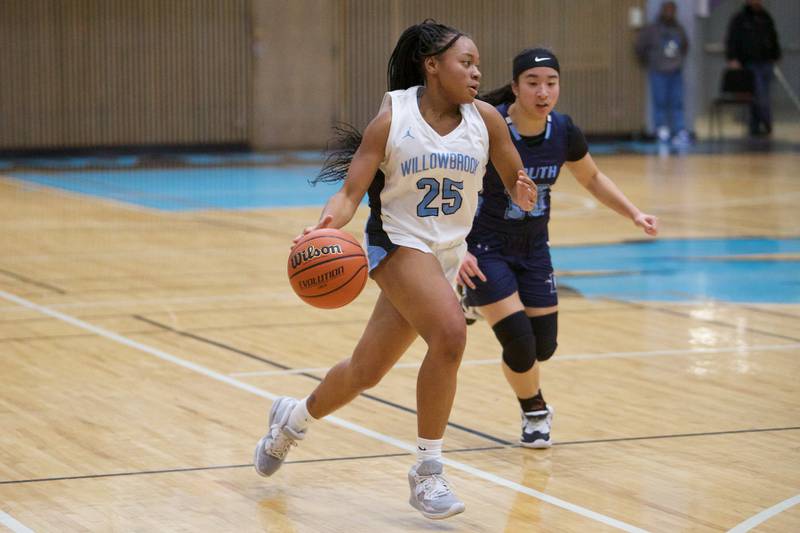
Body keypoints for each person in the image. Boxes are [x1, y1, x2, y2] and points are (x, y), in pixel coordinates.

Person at [253, 20, 536, 520]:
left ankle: (291, 419)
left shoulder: (486, 119)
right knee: (450, 335)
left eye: (477, 65)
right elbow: (349, 192)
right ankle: (427, 472)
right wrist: (324, 227)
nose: (476, 73)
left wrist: (521, 189)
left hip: (444, 255)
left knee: (366, 371)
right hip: (396, 247)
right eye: (465, 63)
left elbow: (512, 169)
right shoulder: (394, 117)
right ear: (432, 66)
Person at [457, 47, 658, 449]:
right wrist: (457, 248)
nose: (543, 91)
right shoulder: (487, 127)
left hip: (534, 249)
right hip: (485, 246)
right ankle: (534, 411)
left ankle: (472, 303)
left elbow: (593, 178)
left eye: (551, 82)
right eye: (532, 83)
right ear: (515, 87)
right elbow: (455, 186)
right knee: (519, 341)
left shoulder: (563, 131)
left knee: (543, 347)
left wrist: (634, 213)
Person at [634, 1, 690, 144]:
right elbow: (639, 47)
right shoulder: (652, 29)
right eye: (667, 10)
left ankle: (680, 130)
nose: (670, 13)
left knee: (677, 102)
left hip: (675, 70)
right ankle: (661, 130)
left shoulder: (679, 29)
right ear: (662, 11)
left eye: (672, 10)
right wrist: (650, 61)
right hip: (658, 70)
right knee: (660, 101)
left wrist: (678, 61)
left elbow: (685, 46)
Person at [725, 0, 782, 137]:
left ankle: (755, 127)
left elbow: (773, 38)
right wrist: (732, 58)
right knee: (759, 94)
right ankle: (766, 123)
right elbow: (732, 40)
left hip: (766, 62)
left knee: (763, 95)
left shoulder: (765, 17)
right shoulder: (740, 18)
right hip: (750, 63)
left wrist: (776, 54)